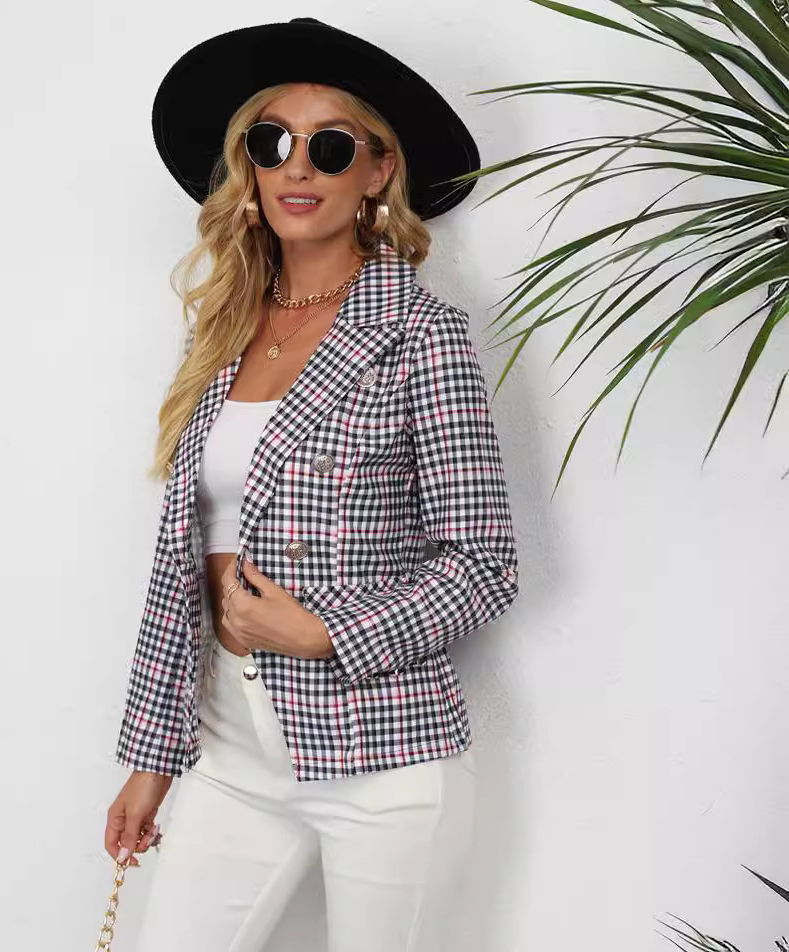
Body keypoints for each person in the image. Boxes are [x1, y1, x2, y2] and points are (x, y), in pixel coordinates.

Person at [103, 17, 520, 951]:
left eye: (330, 147)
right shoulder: (220, 336)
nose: (297, 167)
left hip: (379, 758)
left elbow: (485, 563)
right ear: (248, 167)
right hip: (230, 755)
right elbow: (177, 571)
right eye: (272, 143)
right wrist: (152, 760)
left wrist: (325, 631)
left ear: (378, 170)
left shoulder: (419, 335)